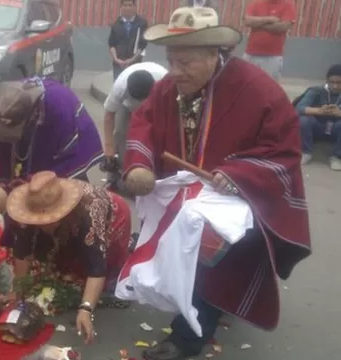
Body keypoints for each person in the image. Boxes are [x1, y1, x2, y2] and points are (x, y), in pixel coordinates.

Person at [122, 7, 311, 360]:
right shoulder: (168, 86)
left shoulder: (259, 90)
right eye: (171, 60)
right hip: (184, 191)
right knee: (181, 239)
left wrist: (239, 174)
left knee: (204, 244)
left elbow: (283, 151)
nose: (175, 72)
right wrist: (138, 165)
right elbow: (143, 123)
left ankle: (187, 338)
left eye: (186, 63)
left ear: (214, 54)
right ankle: (198, 305)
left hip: (239, 194)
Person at [6, 171, 132, 345]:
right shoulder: (28, 211)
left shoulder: (89, 211)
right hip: (72, 226)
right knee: (63, 261)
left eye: (50, 220)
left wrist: (86, 309)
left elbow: (97, 267)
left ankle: (102, 291)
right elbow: (22, 253)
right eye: (39, 221)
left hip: (113, 217)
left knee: (96, 263)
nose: (46, 225)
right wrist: (17, 291)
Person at [0, 77, 104, 183]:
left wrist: (36, 180)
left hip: (71, 137)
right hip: (37, 123)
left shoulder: (61, 110)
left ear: (33, 115)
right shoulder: (9, 99)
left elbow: (65, 160)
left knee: (61, 190)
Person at [101, 61, 168, 191]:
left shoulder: (164, 80)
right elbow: (109, 116)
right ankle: (118, 175)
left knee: (158, 136)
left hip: (157, 107)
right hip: (127, 107)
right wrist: (109, 147)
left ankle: (156, 172)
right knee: (121, 134)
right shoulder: (120, 87)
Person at [297, 64, 341, 170]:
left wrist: (338, 113)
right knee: (303, 120)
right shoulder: (316, 90)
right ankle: (306, 152)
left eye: (339, 82)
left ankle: (336, 157)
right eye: (332, 82)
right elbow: (299, 108)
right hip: (318, 127)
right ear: (327, 80)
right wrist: (321, 111)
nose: (335, 86)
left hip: (336, 129)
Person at [243, 0, 297, 81]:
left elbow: (282, 27)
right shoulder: (256, 3)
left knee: (268, 88)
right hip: (250, 54)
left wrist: (258, 24)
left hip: (272, 57)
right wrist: (269, 19)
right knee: (246, 85)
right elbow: (247, 21)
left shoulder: (288, 5)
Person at [108, 0, 148, 80]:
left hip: (135, 64)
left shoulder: (142, 23)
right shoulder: (115, 24)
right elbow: (111, 44)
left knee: (134, 88)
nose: (127, 8)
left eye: (130, 5)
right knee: (119, 88)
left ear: (135, 7)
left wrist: (131, 60)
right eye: (125, 5)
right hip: (118, 64)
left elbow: (142, 45)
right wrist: (116, 59)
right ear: (121, 7)